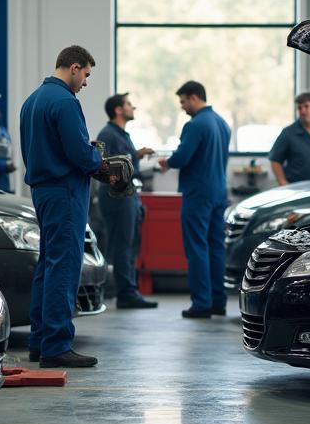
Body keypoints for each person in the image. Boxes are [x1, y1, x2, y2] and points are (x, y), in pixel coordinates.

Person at [20, 46, 105, 368]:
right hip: (65, 192)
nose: (85, 82)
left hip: (43, 191)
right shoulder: (66, 102)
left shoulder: (32, 100)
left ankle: (40, 341)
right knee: (65, 266)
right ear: (73, 67)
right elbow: (80, 155)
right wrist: (99, 159)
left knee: (49, 264)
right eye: (85, 74)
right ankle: (56, 346)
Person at [158, 81, 231, 319]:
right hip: (219, 192)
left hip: (198, 194)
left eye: (183, 102)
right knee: (216, 247)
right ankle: (218, 302)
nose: (182, 107)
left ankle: (201, 303)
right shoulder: (222, 123)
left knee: (197, 248)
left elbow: (182, 157)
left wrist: (167, 162)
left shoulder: (195, 125)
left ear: (193, 97)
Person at [96, 93, 157, 310]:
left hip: (128, 195)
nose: (133, 107)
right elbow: (103, 166)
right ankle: (126, 294)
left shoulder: (121, 134)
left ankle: (129, 290)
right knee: (122, 246)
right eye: (129, 105)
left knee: (130, 245)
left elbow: (123, 160)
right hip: (118, 196)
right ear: (118, 110)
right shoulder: (108, 135)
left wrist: (136, 155)